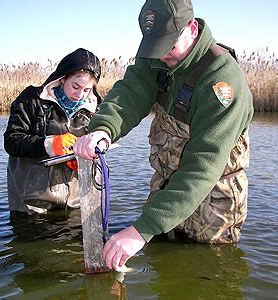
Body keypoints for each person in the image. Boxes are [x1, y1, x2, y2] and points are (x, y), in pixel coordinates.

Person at [73, 0, 254, 271]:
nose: (161, 55)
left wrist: (141, 230)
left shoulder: (223, 82)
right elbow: (130, 93)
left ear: (192, 29)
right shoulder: (156, 54)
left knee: (207, 277)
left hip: (213, 203)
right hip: (166, 188)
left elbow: (202, 167)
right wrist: (103, 129)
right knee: (163, 275)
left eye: (169, 45)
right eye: (156, 46)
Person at [4, 48, 101, 214]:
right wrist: (50, 144)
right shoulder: (31, 100)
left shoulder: (95, 108)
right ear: (63, 78)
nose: (79, 95)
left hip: (78, 203)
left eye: (86, 90)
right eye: (75, 86)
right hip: (32, 205)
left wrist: (87, 154)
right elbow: (12, 141)